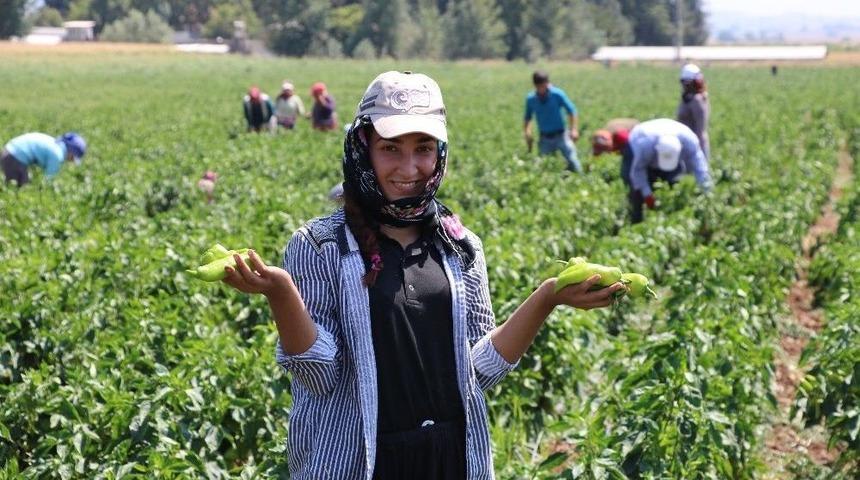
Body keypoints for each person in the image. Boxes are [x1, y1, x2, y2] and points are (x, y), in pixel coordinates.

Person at [220, 71, 624, 479]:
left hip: (449, 456)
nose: (409, 167)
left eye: (424, 148)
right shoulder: (320, 246)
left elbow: (479, 370)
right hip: (362, 461)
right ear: (364, 148)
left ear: (440, 153)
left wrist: (548, 296)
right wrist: (281, 292)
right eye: (390, 148)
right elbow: (319, 375)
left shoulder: (460, 245)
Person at [625, 118, 712, 224]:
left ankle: (670, 216)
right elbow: (638, 172)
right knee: (635, 188)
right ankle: (636, 221)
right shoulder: (643, 146)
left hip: (669, 139)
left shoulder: (689, 142)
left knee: (674, 184)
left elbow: (700, 169)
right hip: (638, 141)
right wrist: (647, 195)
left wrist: (707, 191)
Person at [523, 70, 582, 173]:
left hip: (561, 135)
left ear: (547, 83)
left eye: (544, 86)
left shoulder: (557, 94)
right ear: (535, 85)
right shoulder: (531, 99)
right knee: (545, 167)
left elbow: (572, 111)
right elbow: (528, 117)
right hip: (545, 138)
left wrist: (574, 129)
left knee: (573, 161)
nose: (542, 89)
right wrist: (527, 131)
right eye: (539, 87)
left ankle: (581, 180)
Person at [2, 131, 86, 186]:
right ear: (71, 152)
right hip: (15, 157)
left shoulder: (55, 144)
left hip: (9, 151)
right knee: (20, 190)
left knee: (20, 185)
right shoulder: (57, 155)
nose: (70, 161)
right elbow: (48, 180)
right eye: (73, 158)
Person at [676, 63, 710, 160]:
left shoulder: (697, 100)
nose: (685, 86)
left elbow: (700, 129)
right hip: (684, 143)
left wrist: (699, 155)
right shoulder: (687, 98)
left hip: (694, 146)